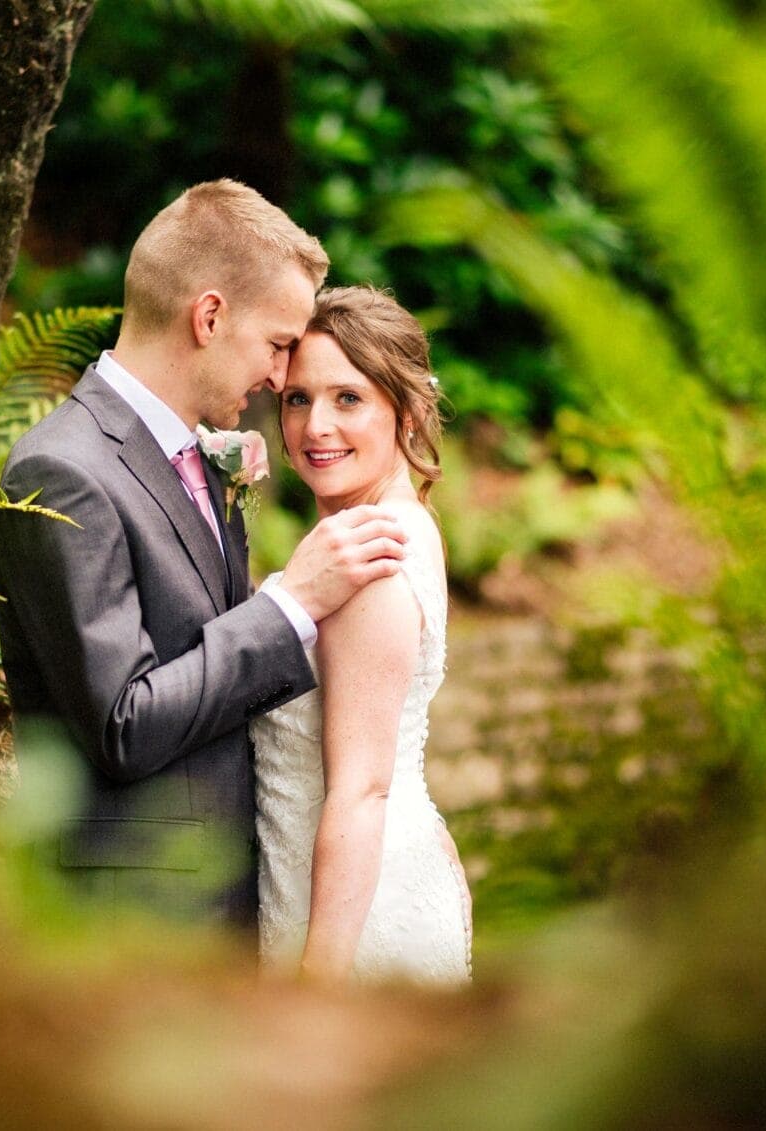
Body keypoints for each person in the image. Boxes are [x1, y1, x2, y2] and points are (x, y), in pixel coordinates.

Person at [0, 181, 408, 930]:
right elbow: (124, 721)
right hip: (134, 918)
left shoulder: (192, 458)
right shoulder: (66, 471)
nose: (281, 379)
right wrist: (288, 605)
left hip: (223, 898)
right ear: (209, 315)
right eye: (278, 344)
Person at [253, 285, 472, 986]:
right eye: (297, 398)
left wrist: (319, 984)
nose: (316, 425)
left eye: (348, 399)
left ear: (403, 412)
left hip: (349, 920)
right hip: (362, 877)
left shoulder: (369, 552)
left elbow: (362, 788)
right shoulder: (397, 524)